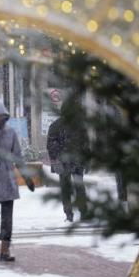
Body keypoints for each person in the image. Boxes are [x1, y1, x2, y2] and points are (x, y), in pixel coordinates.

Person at [0, 100, 35, 262]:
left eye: (1, 117)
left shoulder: (11, 133)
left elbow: (18, 156)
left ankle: (5, 249)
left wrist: (27, 176)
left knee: (7, 218)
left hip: (7, 179)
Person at [46, 89, 91, 223]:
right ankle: (83, 212)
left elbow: (51, 145)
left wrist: (56, 158)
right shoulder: (80, 125)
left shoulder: (55, 125)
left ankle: (69, 213)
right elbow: (86, 145)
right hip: (77, 161)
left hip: (64, 162)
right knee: (79, 187)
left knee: (66, 188)